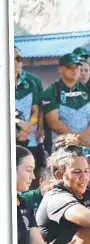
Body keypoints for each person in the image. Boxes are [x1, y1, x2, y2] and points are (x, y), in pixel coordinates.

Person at [40, 53, 90, 157]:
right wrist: (78, 140)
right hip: (62, 150)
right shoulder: (51, 92)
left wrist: (85, 135)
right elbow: (54, 123)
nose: (75, 70)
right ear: (61, 69)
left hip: (89, 146)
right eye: (70, 67)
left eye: (77, 66)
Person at [14, 46, 44, 179]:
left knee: (30, 179)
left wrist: (26, 130)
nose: (17, 62)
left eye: (19, 59)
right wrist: (19, 122)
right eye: (13, 58)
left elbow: (36, 111)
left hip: (28, 140)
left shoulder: (32, 81)